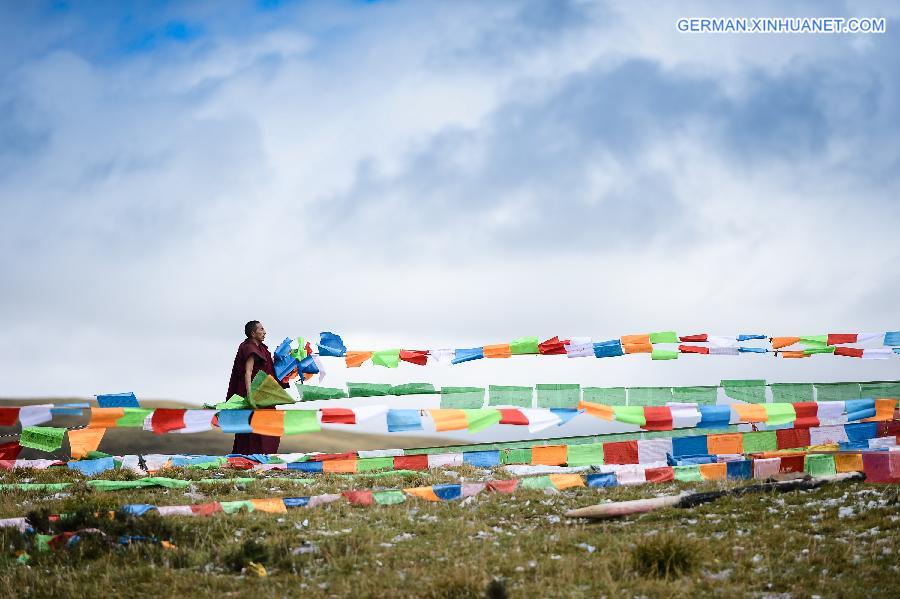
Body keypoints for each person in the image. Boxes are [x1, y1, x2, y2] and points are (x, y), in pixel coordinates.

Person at [226, 320, 284, 455]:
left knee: (269, 428)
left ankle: (264, 456)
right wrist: (250, 396)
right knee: (253, 430)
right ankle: (250, 457)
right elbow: (248, 372)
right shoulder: (249, 347)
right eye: (261, 329)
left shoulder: (262, 348)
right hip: (254, 395)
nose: (264, 332)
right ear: (253, 333)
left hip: (264, 394)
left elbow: (268, 369)